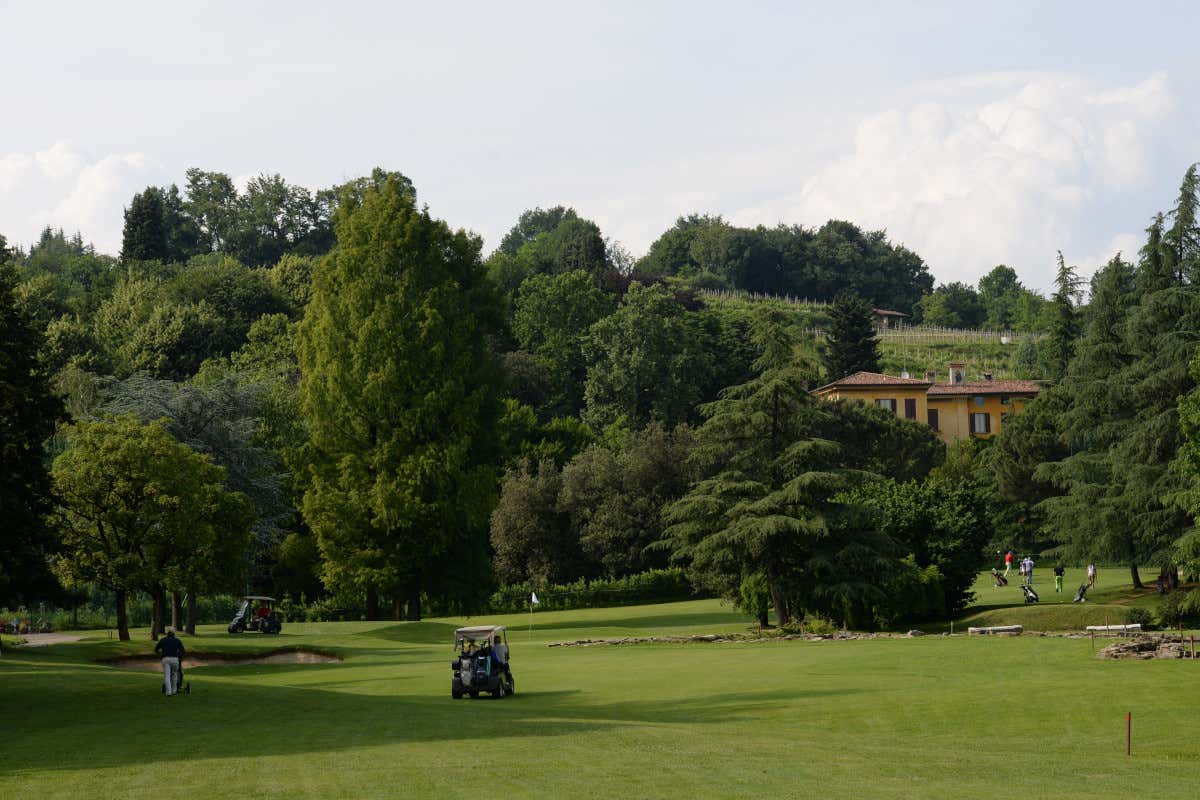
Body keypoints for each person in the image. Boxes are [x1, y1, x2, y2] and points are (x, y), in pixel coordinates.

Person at [155, 626, 186, 696]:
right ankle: (174, 691)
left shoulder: (163, 640)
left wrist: (161, 652)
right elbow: (183, 651)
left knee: (167, 675)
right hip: (175, 659)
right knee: (174, 674)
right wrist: (179, 656)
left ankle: (168, 692)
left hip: (165, 659)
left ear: (167, 633)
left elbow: (156, 649)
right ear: (174, 633)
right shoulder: (177, 640)